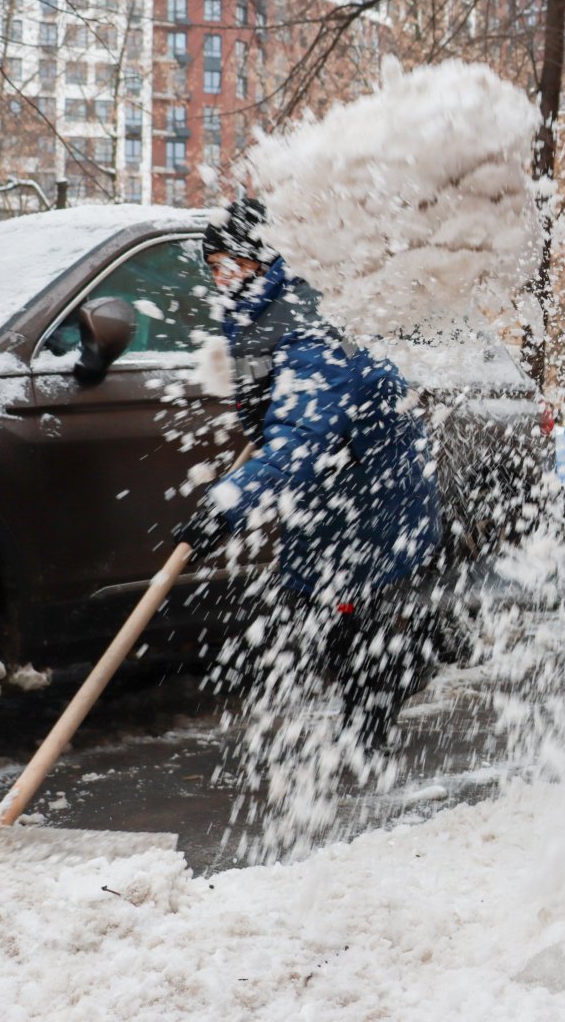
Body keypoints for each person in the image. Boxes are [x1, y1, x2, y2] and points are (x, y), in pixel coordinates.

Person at [178, 198, 441, 750]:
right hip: (331, 489)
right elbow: (277, 410)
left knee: (345, 617)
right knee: (327, 613)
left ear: (258, 261)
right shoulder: (256, 311)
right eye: (213, 269)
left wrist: (229, 504)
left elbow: (302, 438)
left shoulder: (304, 324)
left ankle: (378, 717)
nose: (220, 279)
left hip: (371, 488)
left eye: (228, 265)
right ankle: (396, 675)